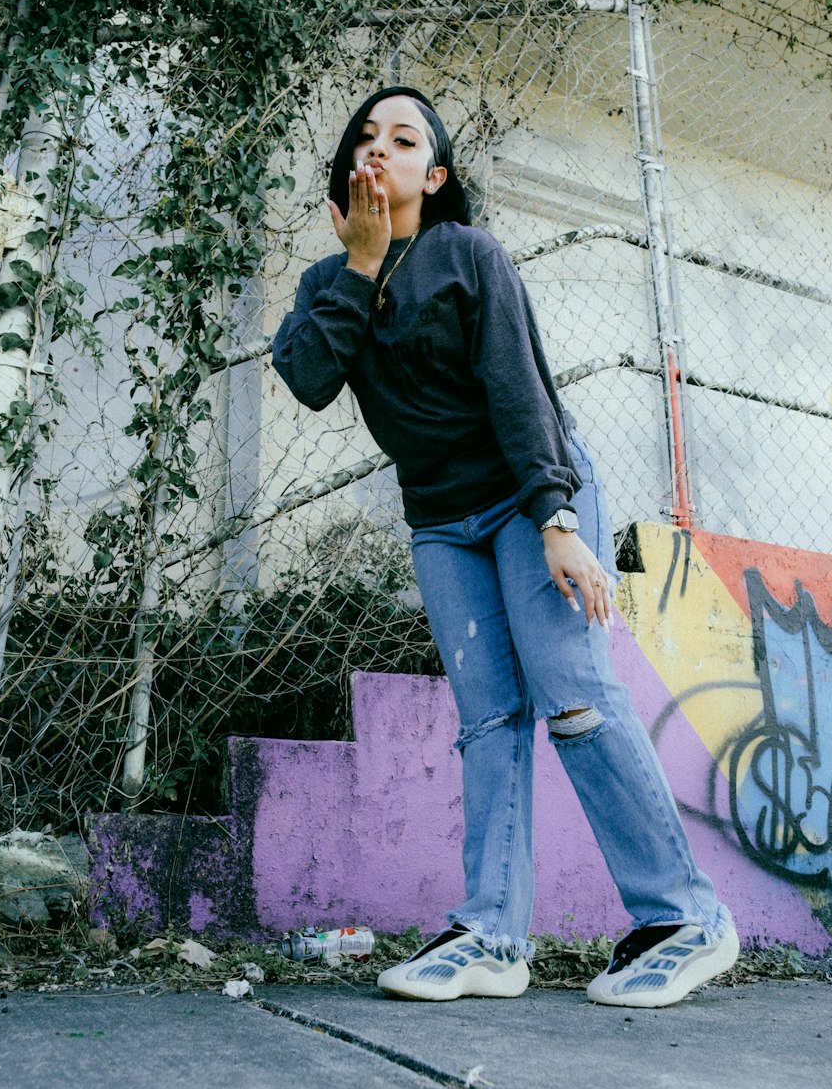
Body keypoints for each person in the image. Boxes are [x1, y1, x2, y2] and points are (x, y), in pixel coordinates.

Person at [272, 86, 739, 1008]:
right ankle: (491, 935)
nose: (380, 148)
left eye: (404, 139)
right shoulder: (331, 284)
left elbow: (520, 389)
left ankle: (684, 918)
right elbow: (307, 377)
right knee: (487, 721)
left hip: (534, 500)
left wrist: (558, 523)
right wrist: (362, 265)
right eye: (365, 137)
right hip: (443, 523)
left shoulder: (466, 254)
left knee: (575, 698)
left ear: (433, 175)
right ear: (347, 176)